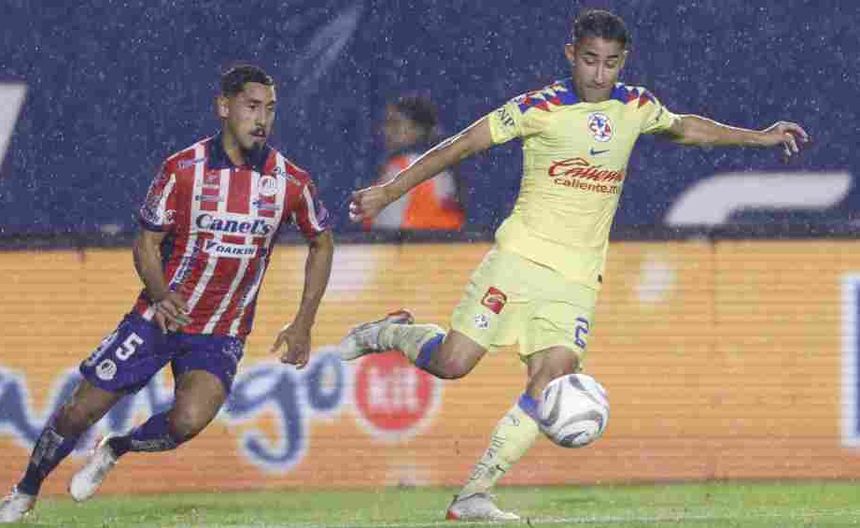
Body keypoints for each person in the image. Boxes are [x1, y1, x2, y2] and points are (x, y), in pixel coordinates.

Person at [341, 9, 808, 522]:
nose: (599, 73)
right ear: (571, 55)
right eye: (590, 60)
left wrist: (759, 135)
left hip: (578, 279)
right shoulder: (538, 108)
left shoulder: (636, 106)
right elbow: (462, 145)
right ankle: (390, 332)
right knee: (453, 363)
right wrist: (389, 190)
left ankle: (473, 494)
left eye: (611, 62)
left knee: (551, 379)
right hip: (518, 261)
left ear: (623, 61)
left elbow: (687, 129)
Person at [0, 64, 334, 523]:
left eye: (270, 109)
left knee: (188, 421)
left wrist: (304, 322)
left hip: (221, 329)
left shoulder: (290, 182)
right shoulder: (183, 170)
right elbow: (146, 242)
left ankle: (117, 447)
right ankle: (25, 490)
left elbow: (322, 242)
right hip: (158, 318)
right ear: (224, 107)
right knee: (79, 411)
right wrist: (159, 294)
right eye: (252, 106)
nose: (262, 119)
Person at [364, 95, 465, 231]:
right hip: (441, 242)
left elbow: (387, 228)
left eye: (395, 123)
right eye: (386, 123)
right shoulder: (441, 165)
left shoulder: (404, 168)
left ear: (418, 129)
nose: (386, 130)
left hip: (413, 242)